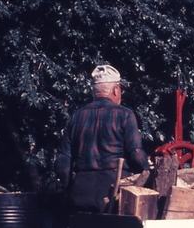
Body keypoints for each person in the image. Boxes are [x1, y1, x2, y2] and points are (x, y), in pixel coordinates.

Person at [57, 64, 151, 213]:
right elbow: (135, 153)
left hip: (81, 192)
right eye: (120, 88)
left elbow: (63, 159)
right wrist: (148, 171)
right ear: (115, 89)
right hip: (113, 192)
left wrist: (68, 188)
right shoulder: (125, 115)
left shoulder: (77, 116)